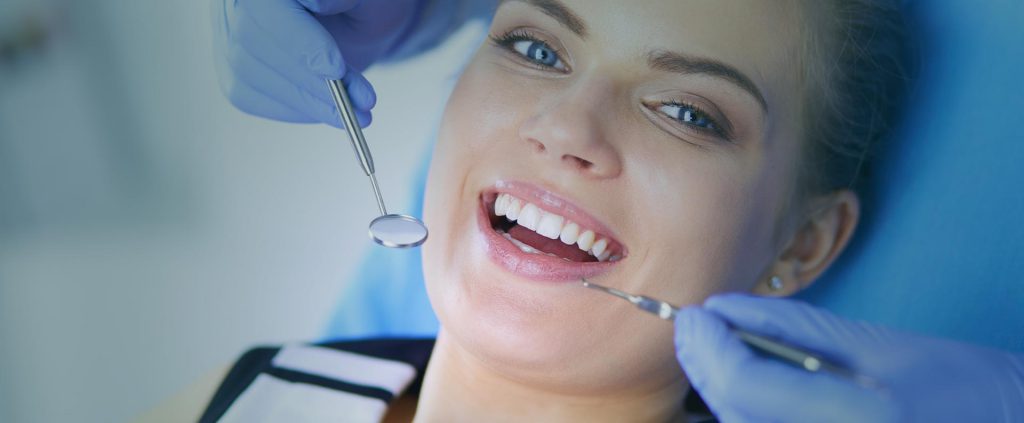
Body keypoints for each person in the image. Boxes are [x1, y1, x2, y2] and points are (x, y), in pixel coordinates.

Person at [145, 0, 1022, 421]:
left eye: (687, 112)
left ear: (802, 241)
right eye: (534, 46)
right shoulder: (246, 395)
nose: (567, 127)